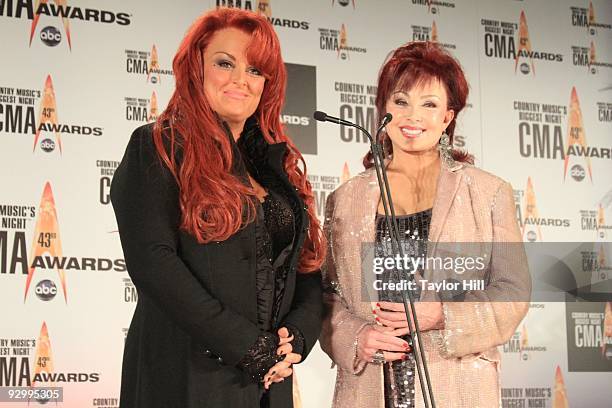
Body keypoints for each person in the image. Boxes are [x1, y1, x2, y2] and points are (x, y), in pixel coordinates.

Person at [111, 8, 325, 408]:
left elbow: (306, 267)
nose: (240, 80)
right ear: (197, 67)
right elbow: (154, 265)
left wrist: (296, 337)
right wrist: (251, 350)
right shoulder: (157, 146)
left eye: (256, 70)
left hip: (270, 383)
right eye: (225, 63)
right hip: (187, 378)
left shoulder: (276, 169)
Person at [320, 41, 531, 408]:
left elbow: (512, 292)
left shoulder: (487, 192)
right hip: (370, 387)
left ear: (448, 117)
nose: (412, 116)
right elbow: (324, 295)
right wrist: (356, 337)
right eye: (401, 101)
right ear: (384, 109)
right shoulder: (345, 199)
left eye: (429, 104)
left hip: (458, 386)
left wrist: (443, 315)